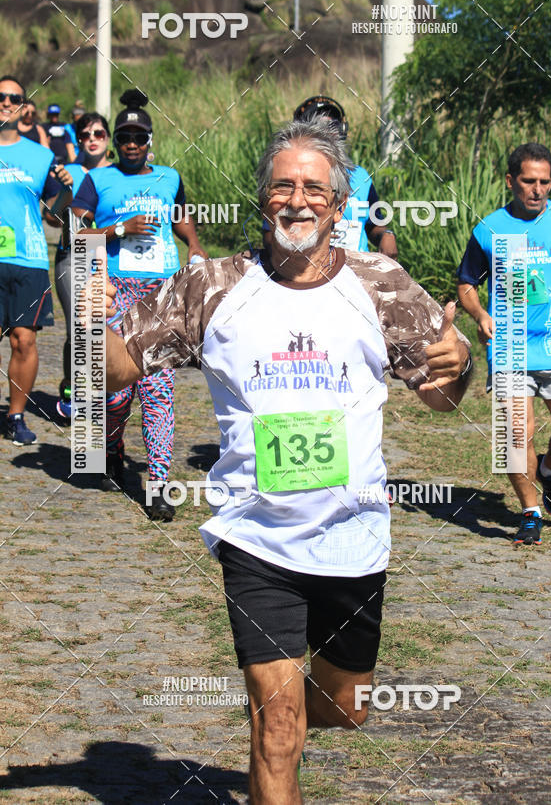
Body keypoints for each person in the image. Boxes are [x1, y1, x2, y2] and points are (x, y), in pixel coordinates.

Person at [96, 120, 472, 803]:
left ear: (338, 203)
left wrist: (461, 361)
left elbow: (442, 397)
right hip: (256, 536)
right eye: (282, 186)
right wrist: (98, 334)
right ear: (262, 197)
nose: (297, 200)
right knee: (277, 732)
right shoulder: (212, 286)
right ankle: (275, 705)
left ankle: (287, 697)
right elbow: (118, 362)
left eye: (313, 188)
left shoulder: (380, 283)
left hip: (354, 539)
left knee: (346, 708)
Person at [71, 88, 207, 517]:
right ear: (115, 141)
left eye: (139, 137)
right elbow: (76, 235)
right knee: (114, 393)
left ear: (150, 140)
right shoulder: (97, 181)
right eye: (124, 137)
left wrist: (195, 246)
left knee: (158, 389)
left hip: (159, 293)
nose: (132, 144)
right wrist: (117, 229)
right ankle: (110, 447)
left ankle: (158, 486)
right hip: (114, 292)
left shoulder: (169, 177)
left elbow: (180, 215)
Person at [457, 143, 551, 545]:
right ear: (511, 181)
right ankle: (530, 512)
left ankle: (549, 469)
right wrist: (481, 315)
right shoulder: (489, 229)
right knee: (514, 435)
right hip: (510, 345)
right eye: (528, 181)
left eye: (544, 182)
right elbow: (466, 284)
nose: (536, 190)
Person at [0, 75, 71, 444]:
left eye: (14, 98)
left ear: (24, 106)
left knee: (23, 341)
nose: (6, 102)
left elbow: (54, 217)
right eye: (1, 96)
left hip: (27, 259)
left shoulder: (41, 156)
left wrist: (66, 191)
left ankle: (15, 417)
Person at [264, 95, 398, 259]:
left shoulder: (361, 177)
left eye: (333, 125)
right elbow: (270, 237)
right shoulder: (286, 176)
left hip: (356, 269)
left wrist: (387, 235)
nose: (327, 132)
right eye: (318, 124)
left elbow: (374, 224)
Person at [54, 112, 113, 419]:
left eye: (99, 133)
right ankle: (75, 389)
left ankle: (107, 389)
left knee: (109, 328)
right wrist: (65, 190)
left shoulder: (120, 172)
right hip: (73, 255)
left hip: (110, 259)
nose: (92, 139)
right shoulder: (68, 172)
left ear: (108, 137)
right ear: (77, 139)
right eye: (86, 134)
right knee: (79, 326)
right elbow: (52, 217)